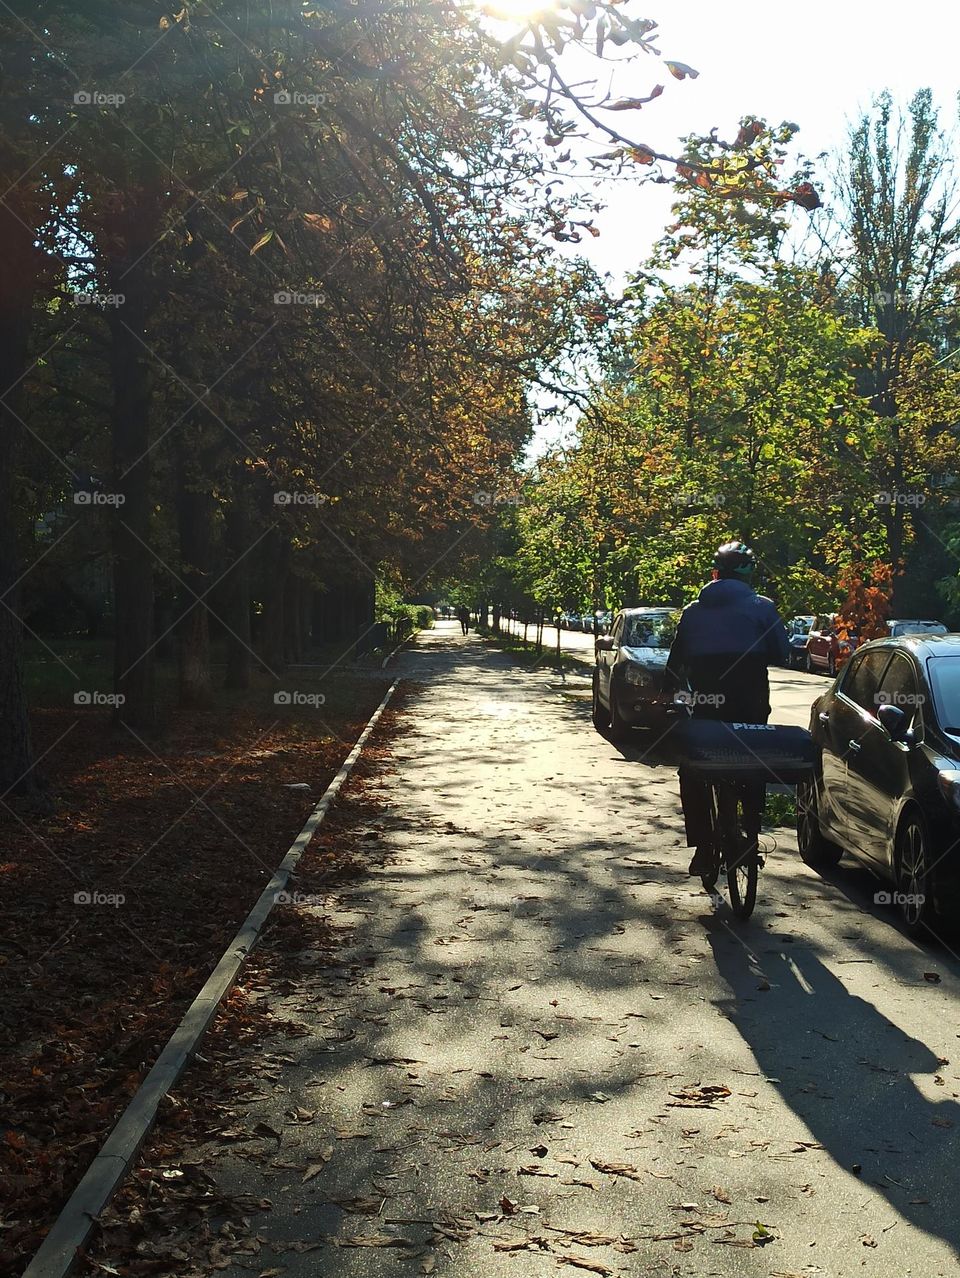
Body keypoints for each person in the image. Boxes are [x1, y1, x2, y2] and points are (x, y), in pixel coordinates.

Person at [666, 541, 790, 877]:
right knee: (753, 763)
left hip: (708, 712)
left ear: (715, 574)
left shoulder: (693, 611)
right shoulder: (763, 607)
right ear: (748, 576)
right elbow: (783, 654)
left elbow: (675, 666)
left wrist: (673, 695)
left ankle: (705, 849)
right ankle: (751, 831)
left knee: (692, 771)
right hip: (751, 710)